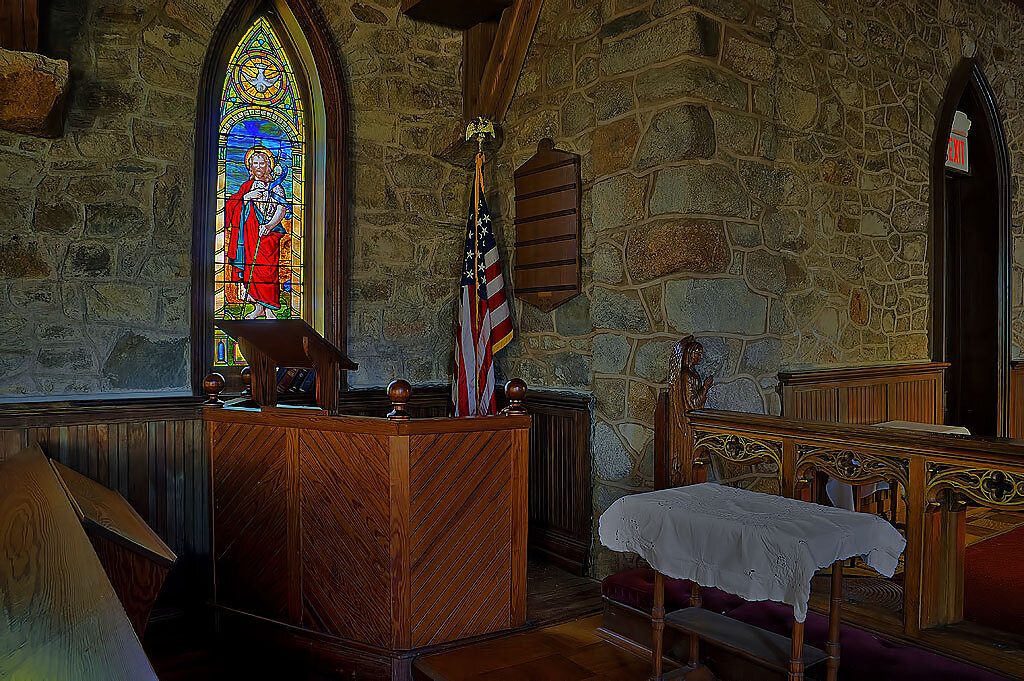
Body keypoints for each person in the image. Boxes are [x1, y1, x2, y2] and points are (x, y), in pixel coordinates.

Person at [224, 145, 288, 320]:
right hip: (250, 236)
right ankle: (259, 307)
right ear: (250, 167)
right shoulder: (247, 187)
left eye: (262, 163)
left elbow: (282, 209)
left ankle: (269, 310)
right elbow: (231, 206)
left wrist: (269, 225)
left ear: (269, 166)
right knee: (252, 269)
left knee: (268, 270)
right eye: (255, 164)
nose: (259, 167)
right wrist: (246, 197)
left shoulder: (276, 186)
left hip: (268, 236)